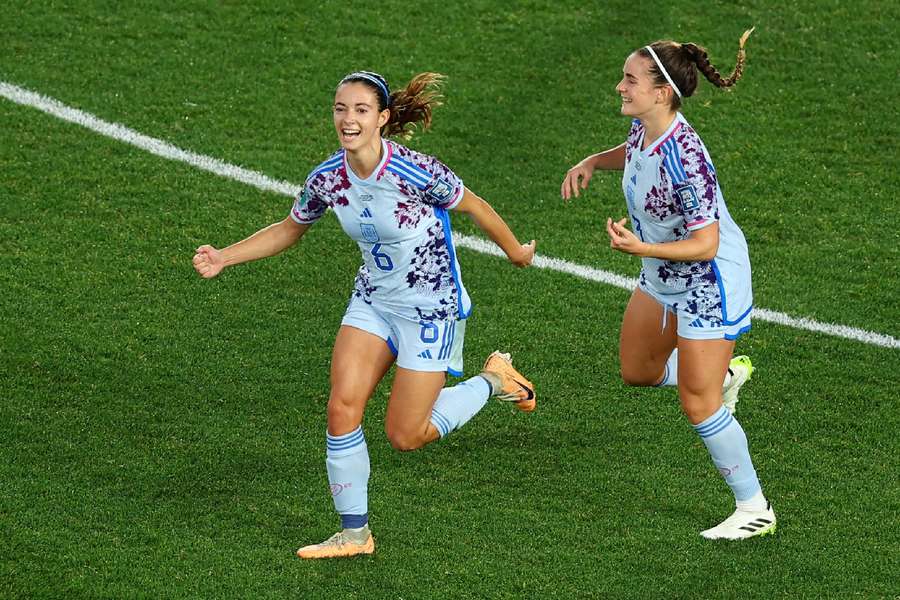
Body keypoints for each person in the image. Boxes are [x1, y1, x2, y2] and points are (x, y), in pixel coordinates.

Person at [193, 70, 537, 558]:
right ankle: (355, 535)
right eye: (340, 109)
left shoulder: (416, 171)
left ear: (382, 118)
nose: (348, 119)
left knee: (406, 434)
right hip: (374, 301)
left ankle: (494, 379)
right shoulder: (328, 177)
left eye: (359, 110)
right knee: (341, 408)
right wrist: (226, 256)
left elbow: (475, 206)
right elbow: (291, 228)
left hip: (430, 307)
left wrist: (516, 253)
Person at [561, 30, 776, 540]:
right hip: (662, 272)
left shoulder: (688, 157)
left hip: (708, 281)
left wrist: (642, 248)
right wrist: (594, 160)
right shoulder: (645, 126)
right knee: (638, 370)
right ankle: (717, 375)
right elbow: (632, 149)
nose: (619, 87)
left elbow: (705, 243)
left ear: (662, 93)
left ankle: (755, 508)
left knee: (696, 404)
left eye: (629, 80)